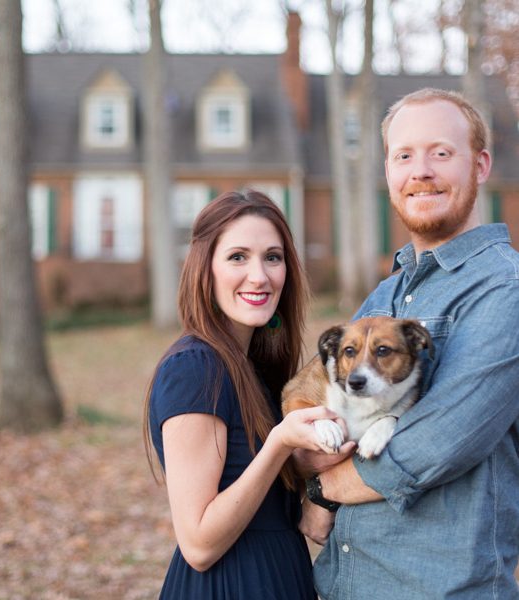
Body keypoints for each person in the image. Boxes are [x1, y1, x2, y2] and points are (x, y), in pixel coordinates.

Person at [298, 88, 519, 599]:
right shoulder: (385, 294)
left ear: (480, 165)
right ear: (389, 172)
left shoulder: (503, 289)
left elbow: (440, 442)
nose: (420, 171)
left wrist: (322, 490)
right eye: (404, 156)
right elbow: (317, 405)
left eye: (441, 153)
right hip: (339, 583)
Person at [143, 190, 354, 599]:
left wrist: (311, 479)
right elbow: (199, 543)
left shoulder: (253, 369)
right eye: (238, 256)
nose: (259, 275)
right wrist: (279, 443)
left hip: (280, 576)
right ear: (206, 269)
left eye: (272, 257)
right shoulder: (194, 369)